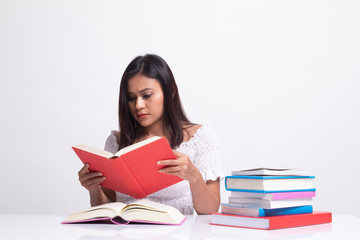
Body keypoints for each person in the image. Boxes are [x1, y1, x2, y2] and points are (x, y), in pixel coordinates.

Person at [78, 54, 223, 214]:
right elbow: (107, 211)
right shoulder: (117, 142)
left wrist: (193, 176)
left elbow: (209, 211)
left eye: (147, 95)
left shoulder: (200, 138)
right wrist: (93, 189)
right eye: (131, 98)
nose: (138, 105)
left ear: (171, 91)